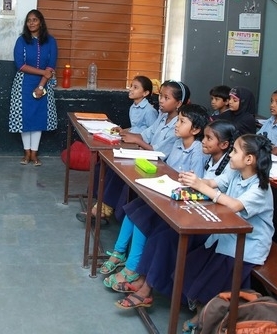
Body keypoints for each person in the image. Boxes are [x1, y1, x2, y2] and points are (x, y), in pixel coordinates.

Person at [114, 134, 274, 311]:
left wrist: (202, 187)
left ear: (249, 159)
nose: (229, 155)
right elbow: (213, 182)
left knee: (199, 270)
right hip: (219, 230)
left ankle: (199, 314)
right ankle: (144, 285)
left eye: (234, 151)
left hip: (243, 245)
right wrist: (193, 181)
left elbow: (235, 205)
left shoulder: (260, 188)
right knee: (165, 237)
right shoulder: (236, 174)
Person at [101, 118, 237, 294]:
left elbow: (211, 191)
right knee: (135, 210)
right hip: (189, 203)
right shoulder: (210, 158)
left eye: (209, 138)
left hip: (203, 217)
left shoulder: (217, 162)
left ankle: (134, 271)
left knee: (151, 225)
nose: (204, 141)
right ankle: (122, 256)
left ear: (225, 144)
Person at [78, 81, 190, 225]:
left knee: (124, 176)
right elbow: (146, 134)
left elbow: (160, 153)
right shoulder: (163, 117)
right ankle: (100, 206)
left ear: (179, 103)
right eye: (160, 96)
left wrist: (138, 141)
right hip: (147, 158)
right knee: (113, 167)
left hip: (159, 167)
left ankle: (104, 212)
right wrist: (126, 133)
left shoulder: (178, 126)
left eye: (166, 98)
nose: (160, 100)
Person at [8, 9, 58, 166]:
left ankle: (34, 154)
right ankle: (26, 153)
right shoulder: (21, 40)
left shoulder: (50, 41)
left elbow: (51, 67)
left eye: (35, 20)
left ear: (41, 22)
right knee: (25, 118)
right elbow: (20, 65)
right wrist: (43, 72)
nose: (31, 23)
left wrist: (41, 85)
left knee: (38, 118)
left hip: (44, 83)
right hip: (23, 83)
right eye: (29, 20)